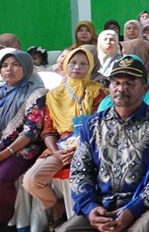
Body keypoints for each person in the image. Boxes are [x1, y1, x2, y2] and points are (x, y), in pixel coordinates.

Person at [61, 56, 149, 232]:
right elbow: (79, 171)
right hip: (102, 205)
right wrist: (91, 209)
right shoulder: (93, 125)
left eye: (129, 83)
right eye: (116, 83)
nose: (121, 88)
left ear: (144, 88)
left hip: (145, 207)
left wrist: (133, 209)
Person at [24, 48, 107, 229]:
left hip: (90, 145)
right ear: (66, 64)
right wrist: (57, 152)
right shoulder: (54, 95)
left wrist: (80, 147)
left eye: (83, 64)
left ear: (90, 66)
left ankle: (80, 222)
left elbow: (102, 127)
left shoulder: (98, 93)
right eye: (73, 62)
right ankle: (56, 207)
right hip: (61, 146)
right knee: (31, 180)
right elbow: (48, 130)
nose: (77, 67)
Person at [0, 51, 47, 226]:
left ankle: (3, 220)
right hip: (2, 146)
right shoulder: (1, 92)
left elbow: (30, 132)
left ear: (26, 67)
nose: (8, 69)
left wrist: (4, 154)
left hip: (24, 148)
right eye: (4, 65)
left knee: (1, 177)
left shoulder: (36, 93)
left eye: (15, 64)